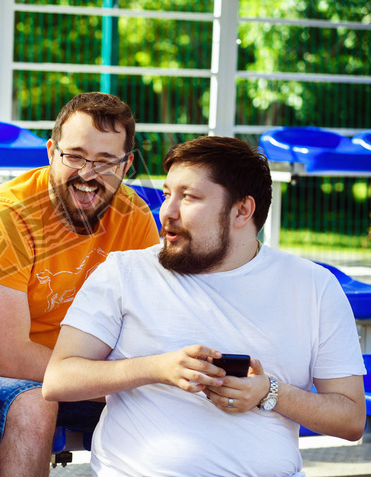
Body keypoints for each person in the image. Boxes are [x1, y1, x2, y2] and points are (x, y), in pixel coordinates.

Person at [43, 135, 367, 476]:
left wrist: (269, 392)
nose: (167, 211)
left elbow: (350, 420)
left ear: (242, 210)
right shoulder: (123, 272)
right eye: (167, 194)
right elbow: (59, 378)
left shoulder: (313, 286)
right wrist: (157, 369)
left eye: (189, 197)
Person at [0, 92, 160, 476]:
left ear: (126, 165)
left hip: (70, 367)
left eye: (106, 161)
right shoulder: (1, 218)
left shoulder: (135, 215)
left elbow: (149, 319)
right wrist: (128, 379)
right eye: (75, 156)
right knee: (35, 403)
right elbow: (10, 358)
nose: (88, 174)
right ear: (51, 152)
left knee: (175, 401)